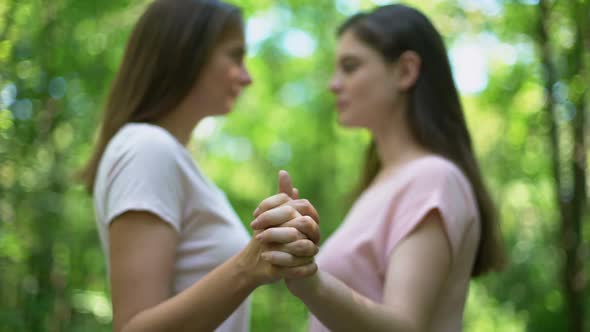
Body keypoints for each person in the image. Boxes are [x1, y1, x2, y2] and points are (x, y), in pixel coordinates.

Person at [251, 4, 506, 332]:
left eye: (350, 66)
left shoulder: (432, 178)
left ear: (405, 71)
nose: (333, 84)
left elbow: (404, 326)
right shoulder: (383, 183)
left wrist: (309, 280)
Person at [78, 1, 320, 331]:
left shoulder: (169, 156)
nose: (247, 77)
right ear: (187, 52)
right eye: (235, 56)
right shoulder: (147, 147)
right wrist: (247, 268)